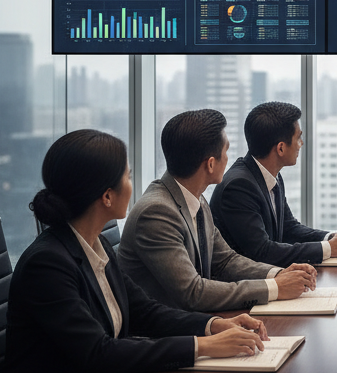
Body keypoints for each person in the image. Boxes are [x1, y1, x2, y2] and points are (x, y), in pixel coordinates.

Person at [0, 129, 268, 373]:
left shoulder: (95, 245)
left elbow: (144, 311)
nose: (131, 184)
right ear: (107, 196)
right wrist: (202, 347)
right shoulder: (47, 264)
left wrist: (213, 325)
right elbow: (98, 352)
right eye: (127, 176)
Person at [119, 109, 317, 310]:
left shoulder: (195, 198)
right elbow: (193, 292)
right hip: (166, 333)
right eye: (226, 151)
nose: (229, 159)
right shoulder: (156, 213)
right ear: (211, 164)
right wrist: (274, 288)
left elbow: (225, 261)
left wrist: (277, 274)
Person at [210, 101, 337, 265]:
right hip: (245, 284)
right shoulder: (238, 187)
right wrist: (329, 249)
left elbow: (289, 228)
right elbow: (262, 252)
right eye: (298, 138)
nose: (301, 144)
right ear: (281, 148)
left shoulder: (270, 174)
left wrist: (330, 238)